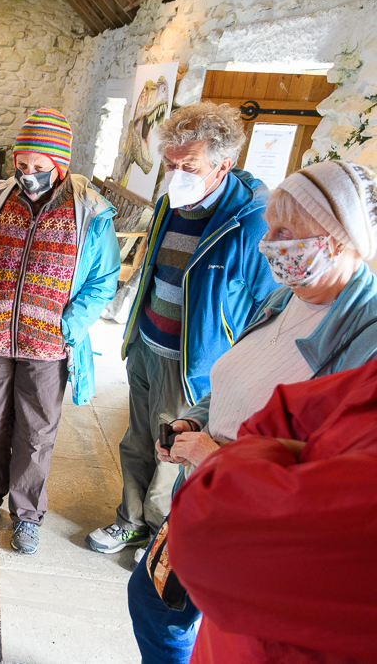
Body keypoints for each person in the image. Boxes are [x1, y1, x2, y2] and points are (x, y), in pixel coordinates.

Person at [128, 160, 377, 663]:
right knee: (156, 604)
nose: (269, 241)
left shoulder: (366, 337)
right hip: (211, 487)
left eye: (288, 230)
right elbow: (235, 375)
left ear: (339, 237)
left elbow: (330, 474)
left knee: (192, 622)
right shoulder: (285, 298)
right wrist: (195, 420)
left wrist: (215, 454)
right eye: (270, 224)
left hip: (257, 518)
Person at [87, 102, 279, 556]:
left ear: (224, 165)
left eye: (188, 166)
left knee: (172, 452)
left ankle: (161, 539)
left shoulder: (250, 224)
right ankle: (130, 521)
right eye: (170, 164)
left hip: (192, 363)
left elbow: (267, 307)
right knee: (136, 440)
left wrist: (234, 369)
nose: (176, 174)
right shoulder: (173, 203)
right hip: (147, 344)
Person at [0, 108, 119, 555]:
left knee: (37, 430)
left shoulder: (89, 211)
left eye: (39, 168)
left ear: (60, 164)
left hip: (48, 343)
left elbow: (104, 279)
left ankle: (26, 514)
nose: (28, 175)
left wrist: (71, 325)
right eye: (22, 165)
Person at [170, 356, 377, 663]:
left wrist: (260, 455)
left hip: (265, 644)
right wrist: (281, 462)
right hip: (234, 638)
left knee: (163, 615)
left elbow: (207, 525)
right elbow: (278, 411)